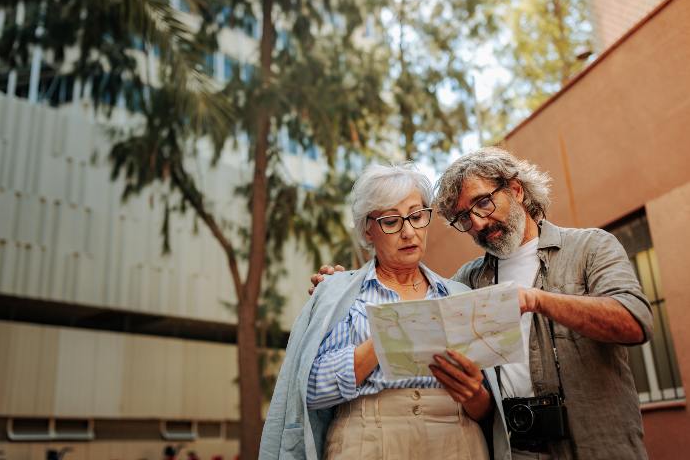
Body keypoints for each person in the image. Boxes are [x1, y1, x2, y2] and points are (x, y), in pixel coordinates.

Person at [310, 148, 653, 460]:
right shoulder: (466, 282)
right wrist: (342, 285)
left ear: (516, 190)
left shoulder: (590, 248)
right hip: (512, 449)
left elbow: (634, 322)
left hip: (594, 444)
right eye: (463, 218)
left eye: (483, 203)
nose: (476, 222)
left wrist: (538, 300)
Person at [260, 163, 491, 460]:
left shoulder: (458, 296)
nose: (409, 232)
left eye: (417, 216)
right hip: (368, 442)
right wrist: (385, 339)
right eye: (392, 222)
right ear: (368, 229)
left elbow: (487, 406)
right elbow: (310, 390)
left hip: (458, 443)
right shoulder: (340, 293)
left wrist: (476, 396)